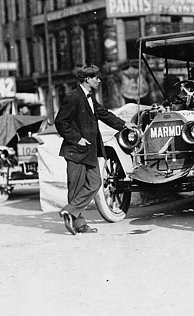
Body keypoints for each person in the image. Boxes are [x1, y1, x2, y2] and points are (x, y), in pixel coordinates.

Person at [55, 64, 135, 235]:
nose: (99, 80)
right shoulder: (73, 97)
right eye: (96, 77)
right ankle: (79, 225)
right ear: (87, 79)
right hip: (76, 150)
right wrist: (77, 139)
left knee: (95, 182)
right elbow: (61, 122)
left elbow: (104, 114)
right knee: (75, 188)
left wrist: (124, 124)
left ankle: (69, 210)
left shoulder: (90, 97)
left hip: (90, 151)